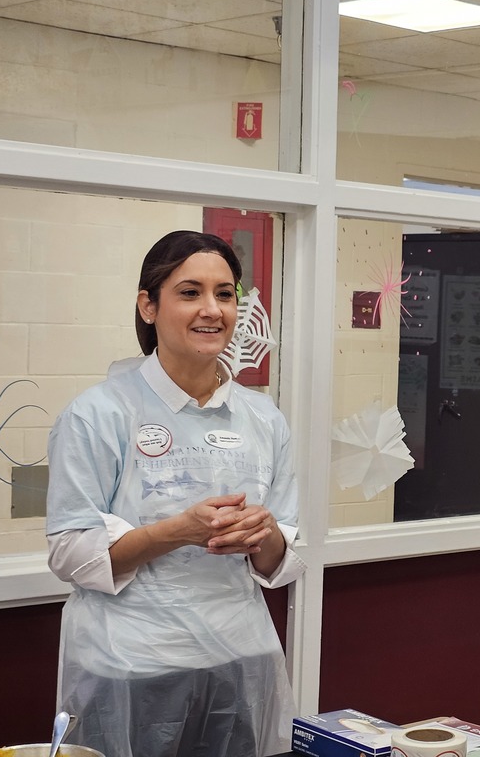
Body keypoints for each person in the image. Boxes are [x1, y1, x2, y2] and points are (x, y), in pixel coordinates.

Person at [45, 230, 305, 757]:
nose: (212, 309)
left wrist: (264, 533)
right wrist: (179, 531)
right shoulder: (99, 414)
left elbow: (282, 561)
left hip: (241, 661)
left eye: (225, 294)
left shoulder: (263, 418)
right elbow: (70, 553)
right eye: (190, 292)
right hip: (132, 666)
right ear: (149, 306)